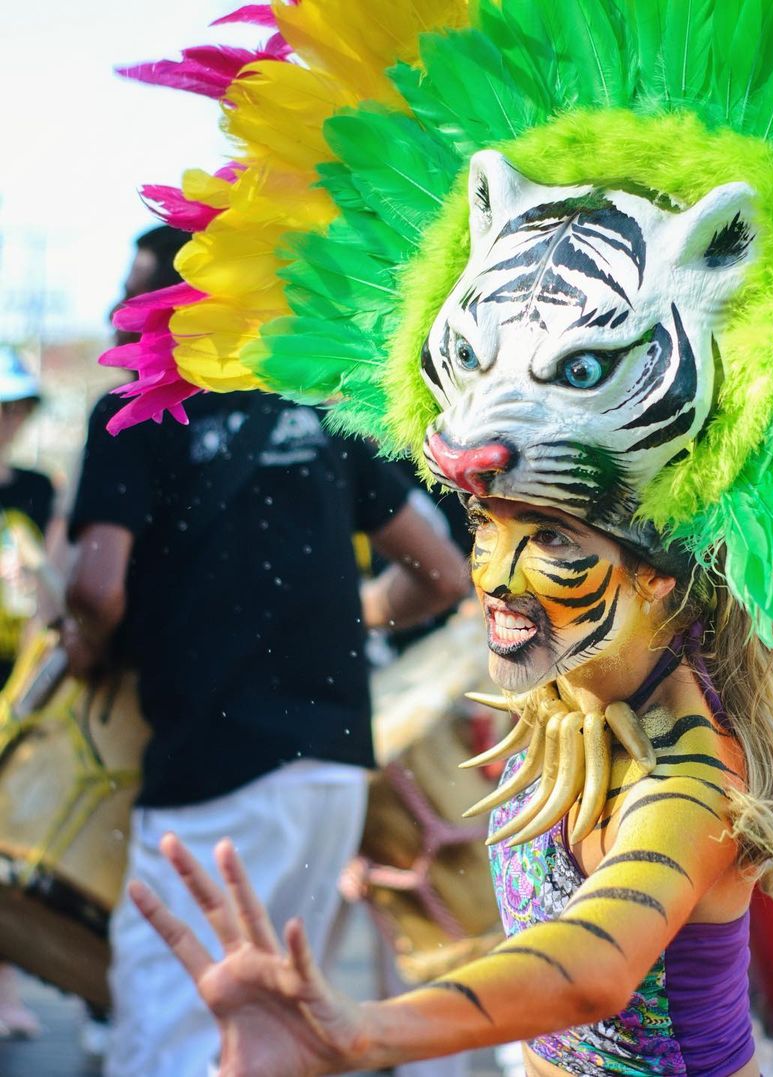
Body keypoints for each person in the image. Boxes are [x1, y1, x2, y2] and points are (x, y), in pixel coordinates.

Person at [101, 0, 773, 1073]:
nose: (500, 578)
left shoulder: (687, 767)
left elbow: (588, 966)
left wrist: (364, 1029)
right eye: (490, 526)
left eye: (562, 549)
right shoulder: (624, 660)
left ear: (662, 584)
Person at [62, 230, 470, 1077]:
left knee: (175, 1027)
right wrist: (340, 616)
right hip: (328, 767)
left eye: (135, 296)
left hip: (208, 770)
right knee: (276, 1026)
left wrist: (86, 644)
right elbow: (440, 575)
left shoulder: (136, 412)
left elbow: (97, 589)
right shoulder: (315, 404)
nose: (117, 315)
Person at [0, 344, 54, 1040]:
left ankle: (7, 988)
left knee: (11, 847)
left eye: (13, 408)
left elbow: (59, 588)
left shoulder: (37, 489)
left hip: (21, 686)